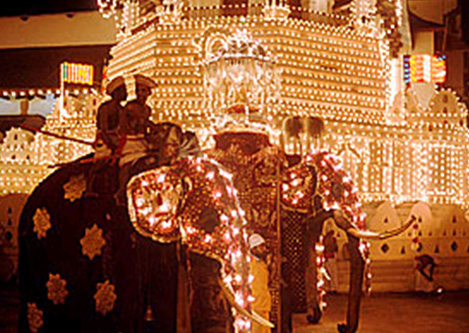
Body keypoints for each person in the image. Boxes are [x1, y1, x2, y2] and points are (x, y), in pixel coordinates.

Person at [86, 76, 126, 196]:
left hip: (118, 139)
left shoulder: (122, 109)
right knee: (102, 160)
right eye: (123, 90)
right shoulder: (105, 108)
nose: (126, 93)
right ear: (116, 92)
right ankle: (89, 188)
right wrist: (112, 145)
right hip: (104, 139)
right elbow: (103, 129)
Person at [249, 233, 272, 333]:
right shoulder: (250, 265)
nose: (264, 249)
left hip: (264, 307)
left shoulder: (261, 263)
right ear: (254, 250)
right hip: (256, 308)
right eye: (261, 247)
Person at [323, 227, 339, 293]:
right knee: (332, 273)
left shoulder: (327, 240)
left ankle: (333, 288)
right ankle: (333, 288)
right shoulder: (331, 240)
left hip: (330, 257)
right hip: (330, 257)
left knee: (332, 274)